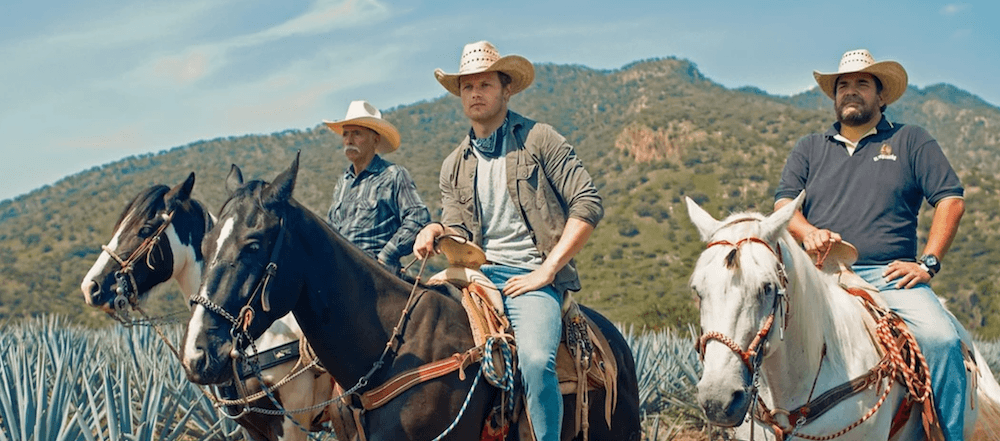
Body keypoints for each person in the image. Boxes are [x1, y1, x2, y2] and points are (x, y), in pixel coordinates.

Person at [775, 49, 970, 440]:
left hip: (889, 278)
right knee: (760, 335)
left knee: (942, 340)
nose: (851, 91)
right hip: (821, 276)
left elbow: (951, 199)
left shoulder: (911, 140)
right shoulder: (810, 147)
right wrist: (807, 231)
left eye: (862, 83)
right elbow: (784, 205)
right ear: (834, 97)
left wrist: (928, 263)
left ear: (882, 96)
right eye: (843, 85)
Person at [414, 41, 603, 441]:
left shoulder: (539, 140)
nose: (476, 93)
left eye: (485, 84)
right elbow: (459, 232)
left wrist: (546, 271)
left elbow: (587, 203)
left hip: (529, 276)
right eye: (467, 87)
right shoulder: (454, 164)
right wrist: (436, 231)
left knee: (535, 361)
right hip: (475, 275)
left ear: (506, 89)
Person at [323, 100, 431, 273]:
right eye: (345, 134)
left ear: (375, 139)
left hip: (379, 281)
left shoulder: (393, 175)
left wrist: (386, 256)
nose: (349, 140)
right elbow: (331, 230)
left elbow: (418, 217)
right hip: (340, 276)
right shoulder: (343, 182)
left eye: (357, 133)